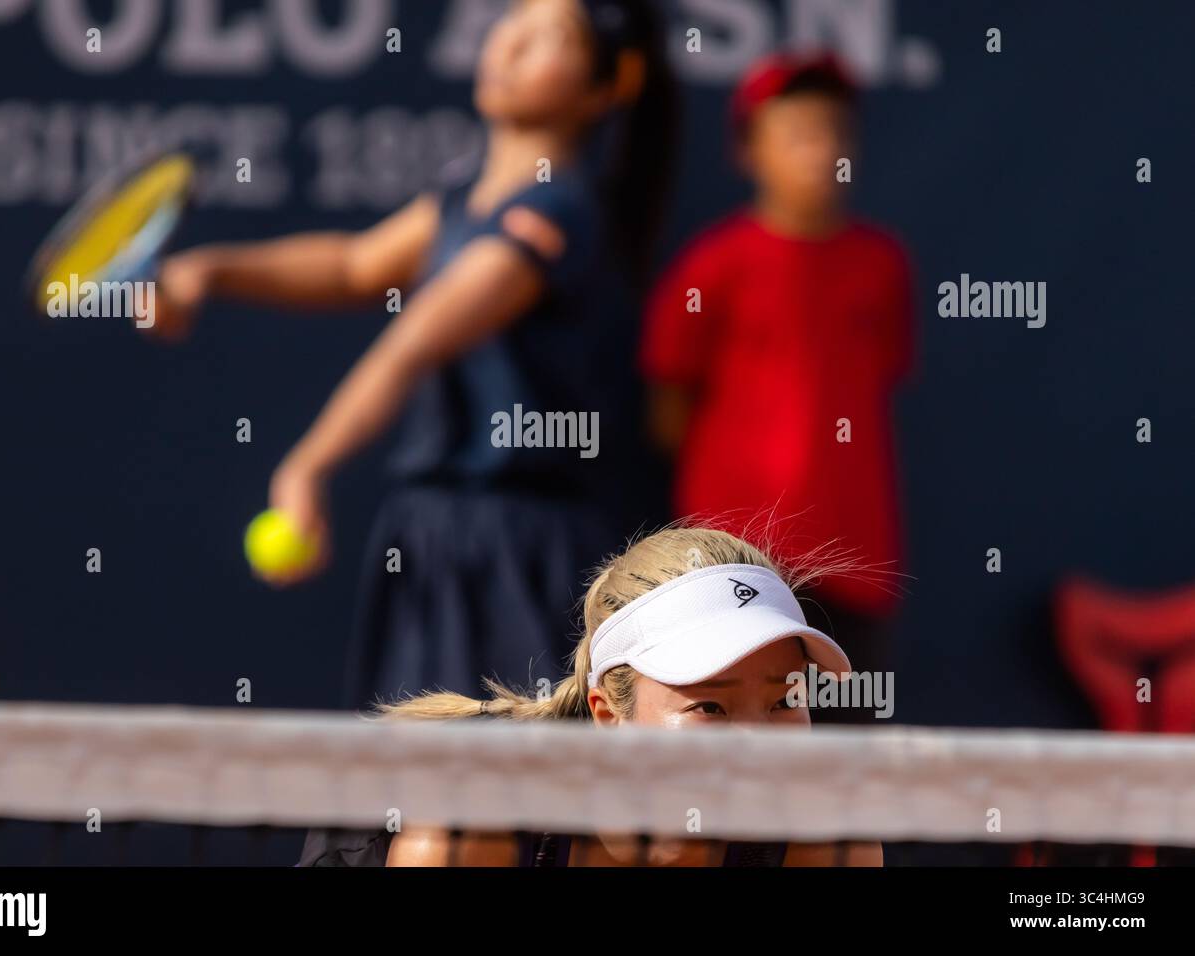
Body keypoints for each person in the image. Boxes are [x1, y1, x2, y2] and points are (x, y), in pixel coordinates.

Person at [146, 0, 678, 708]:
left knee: (519, 797)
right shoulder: (462, 195)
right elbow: (352, 265)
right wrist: (213, 269)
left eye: (550, 36)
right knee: (408, 793)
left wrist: (309, 464)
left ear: (606, 86)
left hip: (521, 555)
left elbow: (414, 339)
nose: (511, 41)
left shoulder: (559, 213)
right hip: (431, 541)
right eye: (513, 19)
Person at [299, 525, 882, 867]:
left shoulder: (832, 839)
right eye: (711, 706)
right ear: (609, 715)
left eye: (783, 702)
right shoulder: (474, 818)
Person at [639, 53, 915, 720]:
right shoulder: (712, 265)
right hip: (731, 565)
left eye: (836, 133)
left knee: (843, 759)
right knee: (731, 749)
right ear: (749, 151)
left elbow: (882, 376)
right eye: (798, 134)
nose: (823, 152)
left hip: (854, 561)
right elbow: (667, 411)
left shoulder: (882, 265)